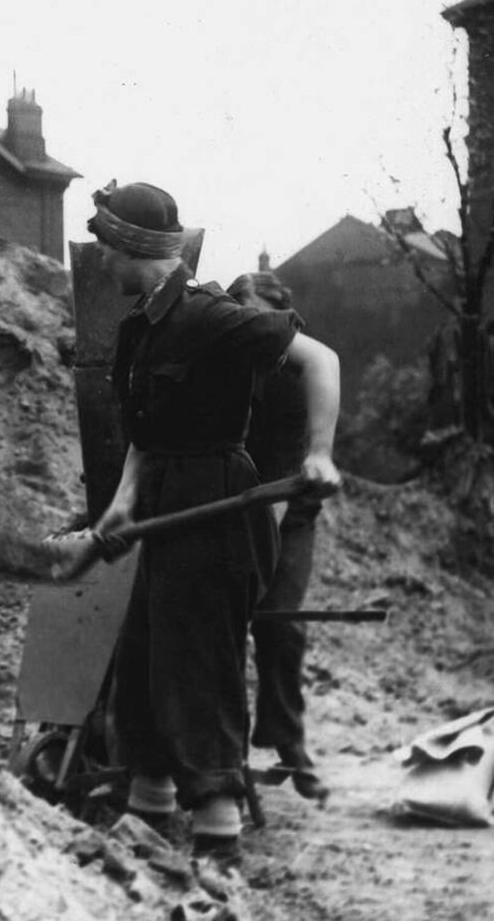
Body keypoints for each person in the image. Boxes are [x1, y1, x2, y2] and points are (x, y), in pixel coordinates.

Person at [88, 182, 341, 866]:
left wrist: (319, 453)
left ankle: (219, 834)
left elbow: (320, 358)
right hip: (160, 501)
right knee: (142, 657)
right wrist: (121, 502)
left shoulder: (211, 315)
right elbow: (147, 432)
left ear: (135, 248)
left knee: (197, 662)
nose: (100, 261)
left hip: (216, 502)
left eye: (106, 247)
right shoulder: (139, 327)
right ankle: (147, 813)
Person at [227, 272, 331, 802]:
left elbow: (284, 473)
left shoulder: (295, 379)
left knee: (279, 621)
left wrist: (256, 563)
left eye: (263, 321)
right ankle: (222, 754)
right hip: (225, 504)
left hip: (287, 506)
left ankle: (288, 742)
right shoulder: (222, 365)